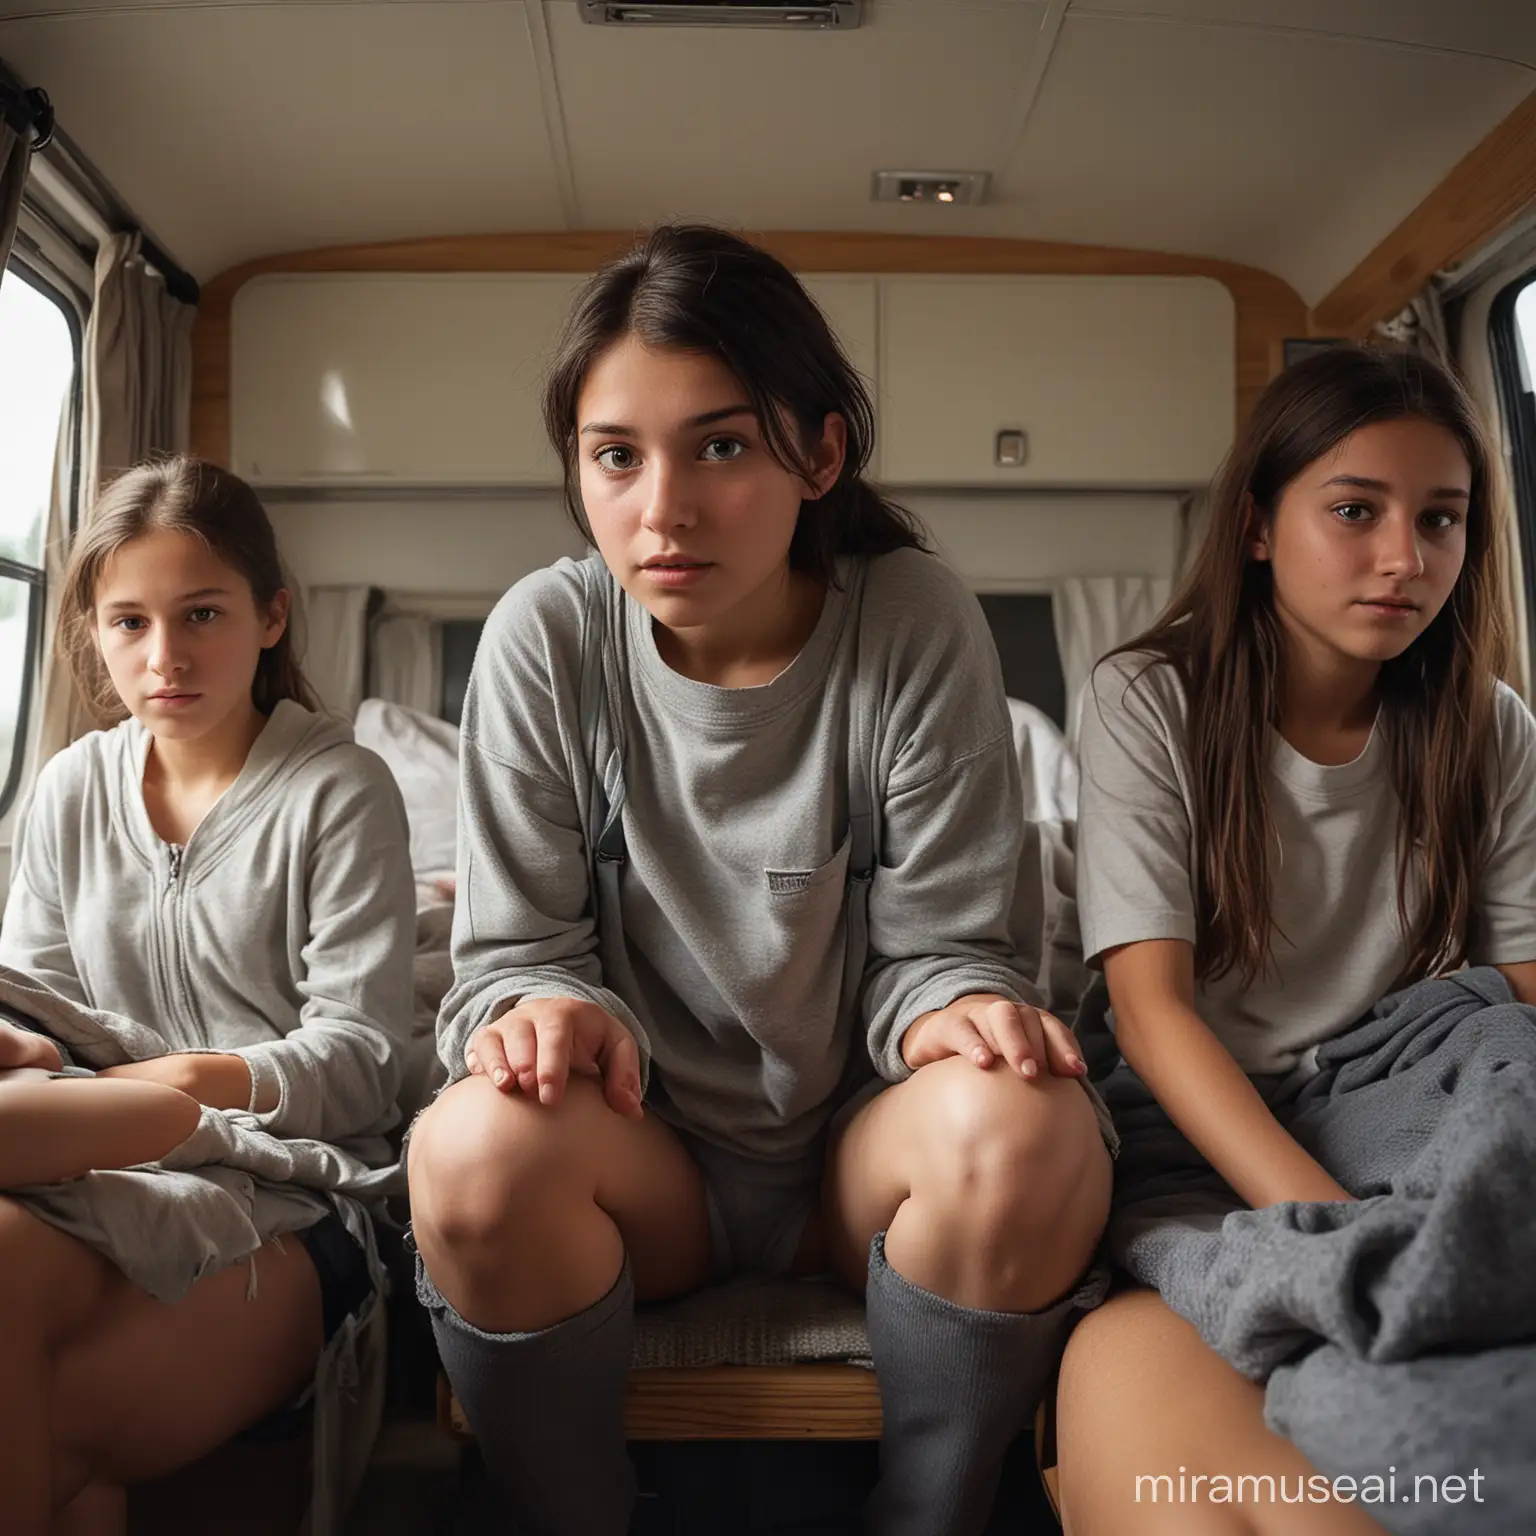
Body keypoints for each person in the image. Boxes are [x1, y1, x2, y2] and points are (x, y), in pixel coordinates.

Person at [407, 224, 1115, 1536]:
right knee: (469, 1152)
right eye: (616, 456)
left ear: (821, 454)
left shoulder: (912, 620)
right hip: (643, 1160)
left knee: (1035, 1122)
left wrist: (952, 1002)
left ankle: (929, 1512)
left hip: (855, 1165)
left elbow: (947, 942)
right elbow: (510, 959)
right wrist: (547, 1010)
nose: (661, 509)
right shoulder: (545, 637)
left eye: (720, 447)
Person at [1052, 345, 1536, 1534]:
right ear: (1260, 526)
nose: (1403, 558)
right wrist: (1333, 1235)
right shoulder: (1147, 699)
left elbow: (1520, 993)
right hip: (1209, 1118)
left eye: (1441, 521)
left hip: (1394, 1079)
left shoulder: (1489, 725)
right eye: (1355, 511)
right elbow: (1153, 1015)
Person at [0, 457, 416, 1536]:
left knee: (45, 1436)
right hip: (99, 1151)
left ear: (271, 616)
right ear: (92, 631)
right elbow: (38, 1010)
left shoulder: (339, 788)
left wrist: (186, 1081)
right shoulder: (68, 789)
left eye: (201, 615)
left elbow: (367, 1057)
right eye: (128, 623)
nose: (164, 656)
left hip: (289, 1195)